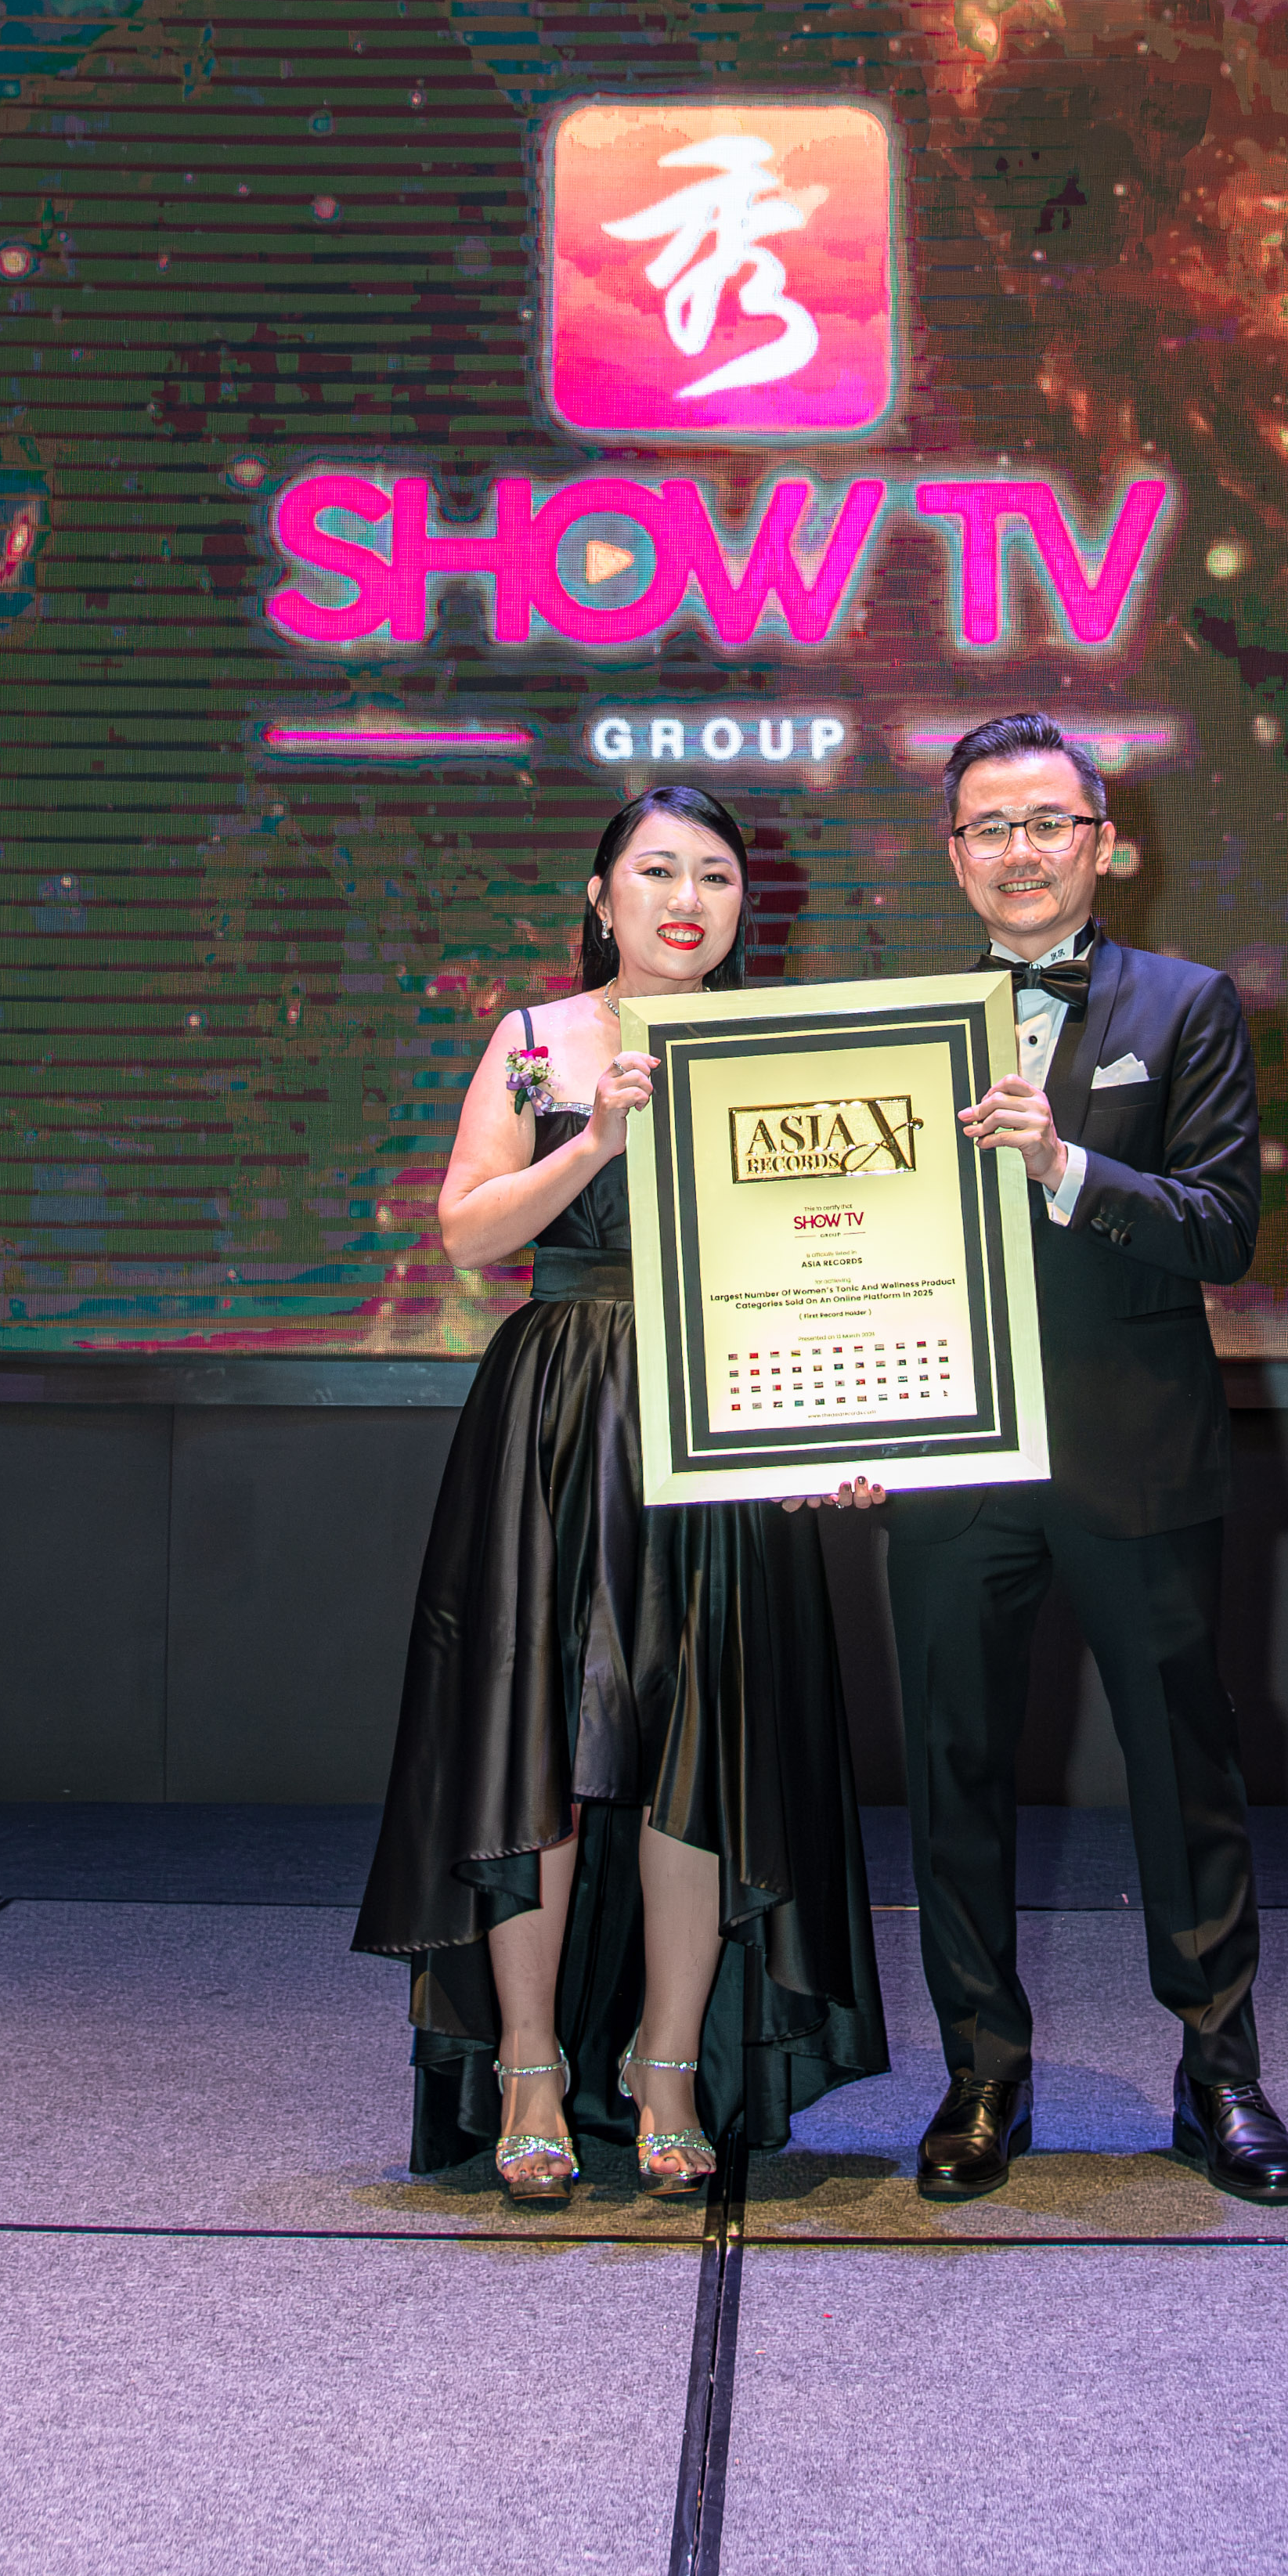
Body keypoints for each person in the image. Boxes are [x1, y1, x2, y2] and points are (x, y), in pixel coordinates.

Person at [355, 781, 888, 2200]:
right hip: (563, 1411)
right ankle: (527, 2063)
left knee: (704, 1747)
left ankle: (669, 2063)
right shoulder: (535, 1040)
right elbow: (468, 1233)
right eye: (655, 870)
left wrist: (842, 1421)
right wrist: (589, 1140)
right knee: (540, 1741)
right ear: (600, 897)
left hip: (725, 1411)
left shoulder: (780, 1050)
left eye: (713, 873)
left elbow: (832, 1254)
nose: (685, 897)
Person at [883, 709, 1288, 2208]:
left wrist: (1064, 1163)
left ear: (1104, 844)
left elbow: (1225, 1229)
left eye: (1048, 822)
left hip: (1134, 1450)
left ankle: (1218, 2074)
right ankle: (980, 2074)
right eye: (989, 826)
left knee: (1183, 1768)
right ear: (954, 854)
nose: (1021, 850)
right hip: (947, 1456)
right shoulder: (890, 1027)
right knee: (953, 1769)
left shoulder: (1186, 1006)